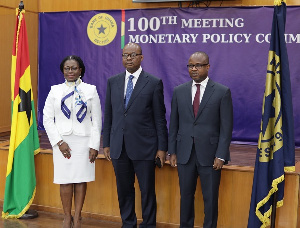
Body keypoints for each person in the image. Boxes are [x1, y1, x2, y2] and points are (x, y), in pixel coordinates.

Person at [103, 42, 168, 228]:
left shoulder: (153, 82)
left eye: (133, 55)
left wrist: (162, 148)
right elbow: (109, 114)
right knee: (124, 190)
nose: (129, 58)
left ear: (141, 57)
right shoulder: (113, 81)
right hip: (119, 146)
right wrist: (106, 142)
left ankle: (149, 224)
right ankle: (128, 223)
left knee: (147, 191)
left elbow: (159, 118)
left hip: (145, 146)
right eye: (125, 55)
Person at [168, 51, 233, 228]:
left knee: (210, 198)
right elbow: (174, 124)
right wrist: (172, 150)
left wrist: (221, 155)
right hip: (184, 154)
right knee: (186, 196)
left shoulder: (221, 92)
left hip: (211, 156)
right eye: (190, 66)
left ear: (207, 67)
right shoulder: (179, 91)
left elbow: (226, 128)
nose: (194, 69)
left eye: (198, 65)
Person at [43, 55, 102, 228]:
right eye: (67, 68)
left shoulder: (91, 90)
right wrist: (59, 142)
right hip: (62, 142)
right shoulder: (55, 91)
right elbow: (47, 119)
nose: (70, 71)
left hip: (84, 142)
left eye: (74, 68)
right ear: (63, 71)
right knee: (65, 179)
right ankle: (66, 217)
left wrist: (94, 144)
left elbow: (97, 120)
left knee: (80, 179)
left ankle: (77, 217)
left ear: (80, 70)